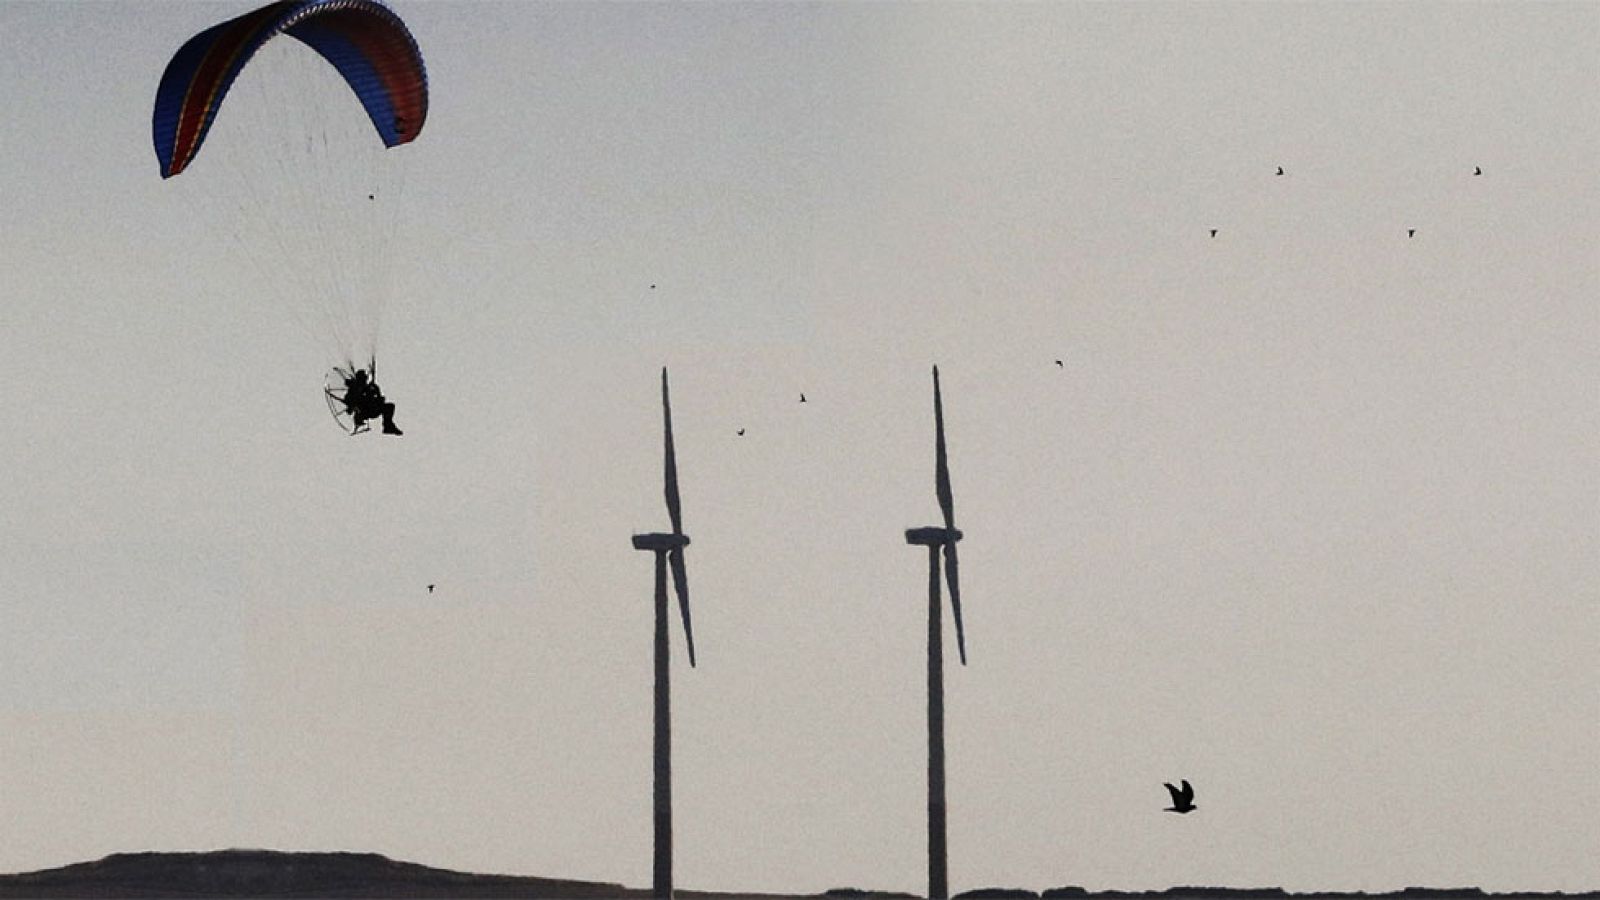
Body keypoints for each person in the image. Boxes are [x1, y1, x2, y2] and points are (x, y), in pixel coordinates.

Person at [341, 368, 402, 435]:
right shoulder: (353, 390)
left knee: (390, 406)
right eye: (363, 379)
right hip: (364, 412)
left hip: (373, 409)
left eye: (365, 379)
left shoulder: (368, 388)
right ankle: (387, 426)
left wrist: (377, 390)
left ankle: (388, 426)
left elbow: (379, 399)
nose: (365, 380)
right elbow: (348, 404)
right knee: (386, 406)